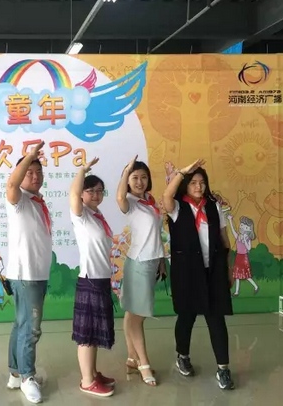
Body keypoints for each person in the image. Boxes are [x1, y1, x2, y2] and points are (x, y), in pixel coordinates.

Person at [162, 159, 235, 390]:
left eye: (202, 182)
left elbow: (224, 240)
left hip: (213, 272)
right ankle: (182, 355)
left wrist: (229, 268)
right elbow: (166, 196)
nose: (198, 186)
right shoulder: (177, 207)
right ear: (186, 185)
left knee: (216, 319)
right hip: (187, 274)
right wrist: (182, 172)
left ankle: (223, 368)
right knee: (187, 317)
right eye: (193, 182)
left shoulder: (213, 207)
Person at [5, 141, 52, 404]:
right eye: (29, 172)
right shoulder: (19, 199)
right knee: (31, 328)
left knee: (21, 323)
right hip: (26, 274)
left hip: (36, 273)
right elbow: (12, 184)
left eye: (38, 172)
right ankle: (27, 377)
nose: (35, 176)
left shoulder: (36, 201)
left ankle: (15, 373)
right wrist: (30, 155)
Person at [116, 155, 165, 386]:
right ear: (127, 181)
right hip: (139, 262)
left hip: (152, 260)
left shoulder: (149, 201)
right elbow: (119, 197)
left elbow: (156, 234)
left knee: (132, 313)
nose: (139, 182)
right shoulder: (129, 201)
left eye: (143, 177)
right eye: (134, 177)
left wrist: (162, 260)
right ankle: (144, 363)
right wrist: (126, 170)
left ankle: (131, 358)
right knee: (138, 316)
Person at [69, 157, 116, 397]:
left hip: (101, 279)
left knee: (95, 332)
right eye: (91, 191)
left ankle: (93, 373)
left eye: (99, 191)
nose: (96, 195)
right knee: (87, 335)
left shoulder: (97, 216)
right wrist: (82, 170)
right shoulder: (81, 215)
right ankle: (87, 381)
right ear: (83, 195)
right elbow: (73, 194)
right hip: (90, 280)